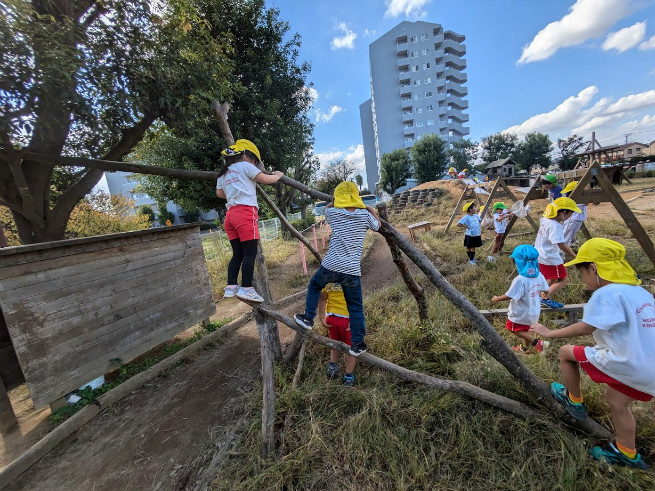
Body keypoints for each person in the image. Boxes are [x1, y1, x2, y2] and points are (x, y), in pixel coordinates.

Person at [530, 238, 654, 469]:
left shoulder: (606, 294)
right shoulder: (641, 293)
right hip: (650, 367)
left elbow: (587, 327)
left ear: (594, 268)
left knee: (567, 353)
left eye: (582, 272)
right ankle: (627, 452)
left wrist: (549, 333)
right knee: (617, 401)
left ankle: (574, 400)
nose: (583, 279)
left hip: (630, 363)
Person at [294, 181, 380, 356]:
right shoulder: (364, 215)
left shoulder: (334, 212)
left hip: (331, 265)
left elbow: (326, 208)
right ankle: (358, 344)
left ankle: (308, 318)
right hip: (351, 270)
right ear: (357, 198)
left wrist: (335, 200)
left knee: (315, 286)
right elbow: (378, 226)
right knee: (355, 307)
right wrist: (369, 208)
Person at [216, 139, 284, 302]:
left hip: (230, 215)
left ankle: (231, 286)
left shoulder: (223, 173)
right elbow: (267, 180)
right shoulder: (246, 166)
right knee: (250, 253)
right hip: (245, 213)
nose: (254, 164)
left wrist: (235, 193)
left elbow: (220, 194)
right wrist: (278, 175)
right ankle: (246, 288)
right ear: (245, 156)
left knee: (237, 254)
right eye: (254, 161)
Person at [491, 245, 550, 354]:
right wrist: (545, 294)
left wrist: (497, 298)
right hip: (534, 311)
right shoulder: (539, 275)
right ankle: (524, 349)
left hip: (521, 312)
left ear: (517, 263)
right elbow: (546, 289)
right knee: (526, 330)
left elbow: (511, 295)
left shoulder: (520, 279)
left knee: (512, 328)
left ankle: (538, 343)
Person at [534, 197, 579, 309]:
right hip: (551, 258)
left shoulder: (545, 219)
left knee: (551, 278)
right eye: (571, 213)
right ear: (563, 212)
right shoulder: (555, 226)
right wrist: (575, 257)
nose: (570, 216)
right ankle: (545, 298)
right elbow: (561, 244)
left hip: (540, 254)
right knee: (563, 279)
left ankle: (539, 297)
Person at [318, 283, 357, 386]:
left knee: (334, 343)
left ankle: (332, 367)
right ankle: (348, 377)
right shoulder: (350, 276)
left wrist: (321, 317)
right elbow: (356, 299)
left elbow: (322, 297)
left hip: (331, 318)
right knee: (351, 349)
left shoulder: (326, 277)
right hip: (347, 319)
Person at [561, 181, 588, 247]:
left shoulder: (579, 199)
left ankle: (562, 254)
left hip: (573, 220)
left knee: (565, 239)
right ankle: (562, 252)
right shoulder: (574, 199)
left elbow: (586, 203)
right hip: (572, 220)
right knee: (564, 237)